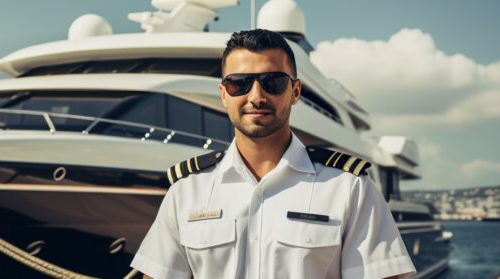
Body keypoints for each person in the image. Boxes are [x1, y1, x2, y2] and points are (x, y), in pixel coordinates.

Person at [128, 29, 416, 279]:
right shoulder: (187, 190)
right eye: (239, 83)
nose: (256, 96)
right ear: (224, 93)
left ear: (295, 91)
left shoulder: (349, 188)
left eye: (273, 82)